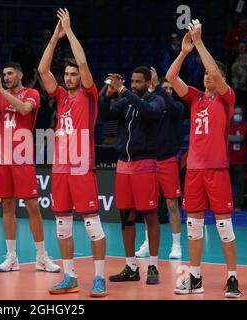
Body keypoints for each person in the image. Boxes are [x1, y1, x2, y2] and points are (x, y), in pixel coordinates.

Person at [166, 19, 241, 298]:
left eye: (213, 74)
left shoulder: (226, 97)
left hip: (217, 169)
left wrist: (199, 42)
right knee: (194, 226)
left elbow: (215, 73)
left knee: (223, 226)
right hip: (195, 170)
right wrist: (185, 52)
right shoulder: (196, 98)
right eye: (206, 75)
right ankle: (194, 277)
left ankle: (232, 277)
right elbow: (171, 78)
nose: (208, 77)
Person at [38, 8, 107, 297]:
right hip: (60, 169)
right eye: (66, 74)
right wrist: (55, 38)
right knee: (62, 228)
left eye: (72, 74)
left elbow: (82, 60)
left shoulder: (89, 94)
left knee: (92, 226)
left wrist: (71, 31)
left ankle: (100, 279)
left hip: (81, 167)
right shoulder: (62, 97)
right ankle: (70, 277)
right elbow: (42, 71)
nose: (68, 78)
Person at [0, 62, 60, 273]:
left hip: (22, 158)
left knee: (33, 206)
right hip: (1, 159)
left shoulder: (32, 93)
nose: (6, 77)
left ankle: (41, 257)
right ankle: (12, 257)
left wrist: (1, 90)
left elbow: (24, 109)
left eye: (10, 73)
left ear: (20, 75)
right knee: (7, 207)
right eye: (4, 75)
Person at [101, 67, 164, 285]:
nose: (135, 85)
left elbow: (148, 111)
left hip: (144, 163)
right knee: (125, 216)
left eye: (139, 82)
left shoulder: (157, 100)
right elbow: (104, 116)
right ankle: (131, 266)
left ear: (148, 82)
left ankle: (154, 266)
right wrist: (107, 93)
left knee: (149, 215)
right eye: (133, 81)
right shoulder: (126, 101)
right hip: (123, 165)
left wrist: (125, 91)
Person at [135, 70, 183, 260]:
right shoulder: (151, 105)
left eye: (171, 88)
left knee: (172, 204)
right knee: (149, 207)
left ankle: (176, 245)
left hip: (168, 161)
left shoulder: (176, 107)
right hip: (149, 161)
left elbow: (170, 105)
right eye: (166, 88)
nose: (169, 91)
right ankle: (147, 243)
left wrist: (159, 88)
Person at [228, 106, 247, 211]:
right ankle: (227, 203)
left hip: (241, 160)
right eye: (236, 113)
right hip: (228, 159)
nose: (237, 116)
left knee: (239, 184)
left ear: (242, 115)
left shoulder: (245, 126)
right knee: (226, 183)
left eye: (239, 114)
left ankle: (238, 205)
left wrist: (227, 137)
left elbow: (240, 138)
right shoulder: (229, 125)